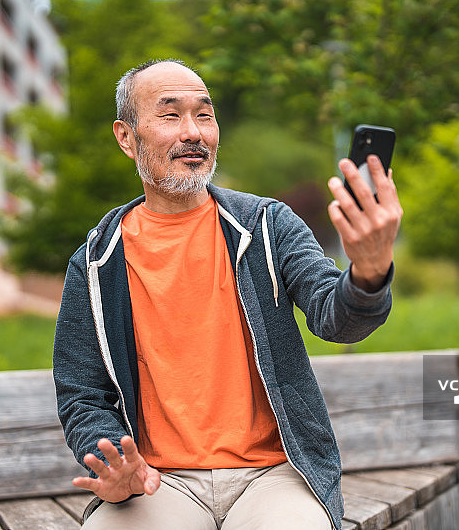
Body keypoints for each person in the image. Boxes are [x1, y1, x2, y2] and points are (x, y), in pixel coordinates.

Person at [52, 59, 402, 530]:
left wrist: (370, 270)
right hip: (161, 482)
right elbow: (82, 393)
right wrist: (111, 460)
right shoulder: (97, 260)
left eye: (205, 114)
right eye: (170, 115)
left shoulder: (267, 225)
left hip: (274, 474)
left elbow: (337, 318)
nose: (193, 132)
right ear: (126, 138)